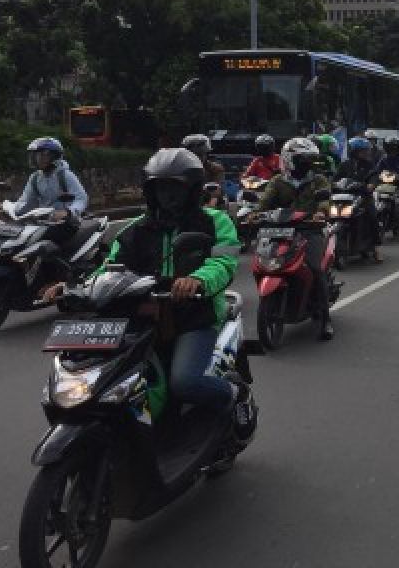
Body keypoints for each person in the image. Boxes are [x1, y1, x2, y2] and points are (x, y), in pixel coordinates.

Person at [45, 148, 244, 414]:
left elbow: (224, 262)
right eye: (161, 190)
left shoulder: (214, 222)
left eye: (175, 189)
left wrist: (197, 280)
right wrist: (72, 287)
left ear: (192, 191)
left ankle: (235, 394)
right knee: (109, 382)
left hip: (194, 316)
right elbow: (109, 269)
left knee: (184, 382)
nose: (168, 197)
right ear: (151, 193)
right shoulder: (134, 230)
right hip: (140, 317)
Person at [257, 138, 336, 340]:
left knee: (315, 269)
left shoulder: (318, 180)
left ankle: (325, 320)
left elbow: (324, 201)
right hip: (280, 230)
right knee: (263, 262)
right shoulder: (278, 181)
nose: (307, 163)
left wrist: (321, 213)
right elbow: (264, 204)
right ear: (290, 159)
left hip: (310, 230)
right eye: (303, 159)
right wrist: (253, 214)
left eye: (310, 159)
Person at [14, 137, 88, 222]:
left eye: (44, 155)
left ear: (55, 157)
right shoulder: (35, 178)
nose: (39, 159)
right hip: (45, 222)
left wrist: (68, 212)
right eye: (37, 155)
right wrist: (10, 208)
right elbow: (26, 201)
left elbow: (81, 198)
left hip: (67, 222)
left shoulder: (65, 175)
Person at [336, 136, 383, 263]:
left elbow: (374, 176)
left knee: (372, 217)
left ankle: (376, 248)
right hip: (344, 198)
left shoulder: (369, 165)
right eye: (363, 150)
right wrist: (332, 185)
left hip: (362, 197)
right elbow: (335, 179)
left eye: (366, 150)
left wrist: (371, 185)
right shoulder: (344, 165)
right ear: (355, 151)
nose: (366, 153)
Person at [376, 136, 399, 221]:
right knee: (375, 195)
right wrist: (376, 176)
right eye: (390, 148)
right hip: (384, 183)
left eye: (394, 148)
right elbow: (377, 170)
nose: (392, 150)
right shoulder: (383, 159)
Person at [182, 133, 225, 208]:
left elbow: (215, 193)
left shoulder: (215, 169)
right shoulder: (180, 169)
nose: (199, 157)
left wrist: (209, 208)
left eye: (202, 154)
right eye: (195, 154)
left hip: (209, 203)